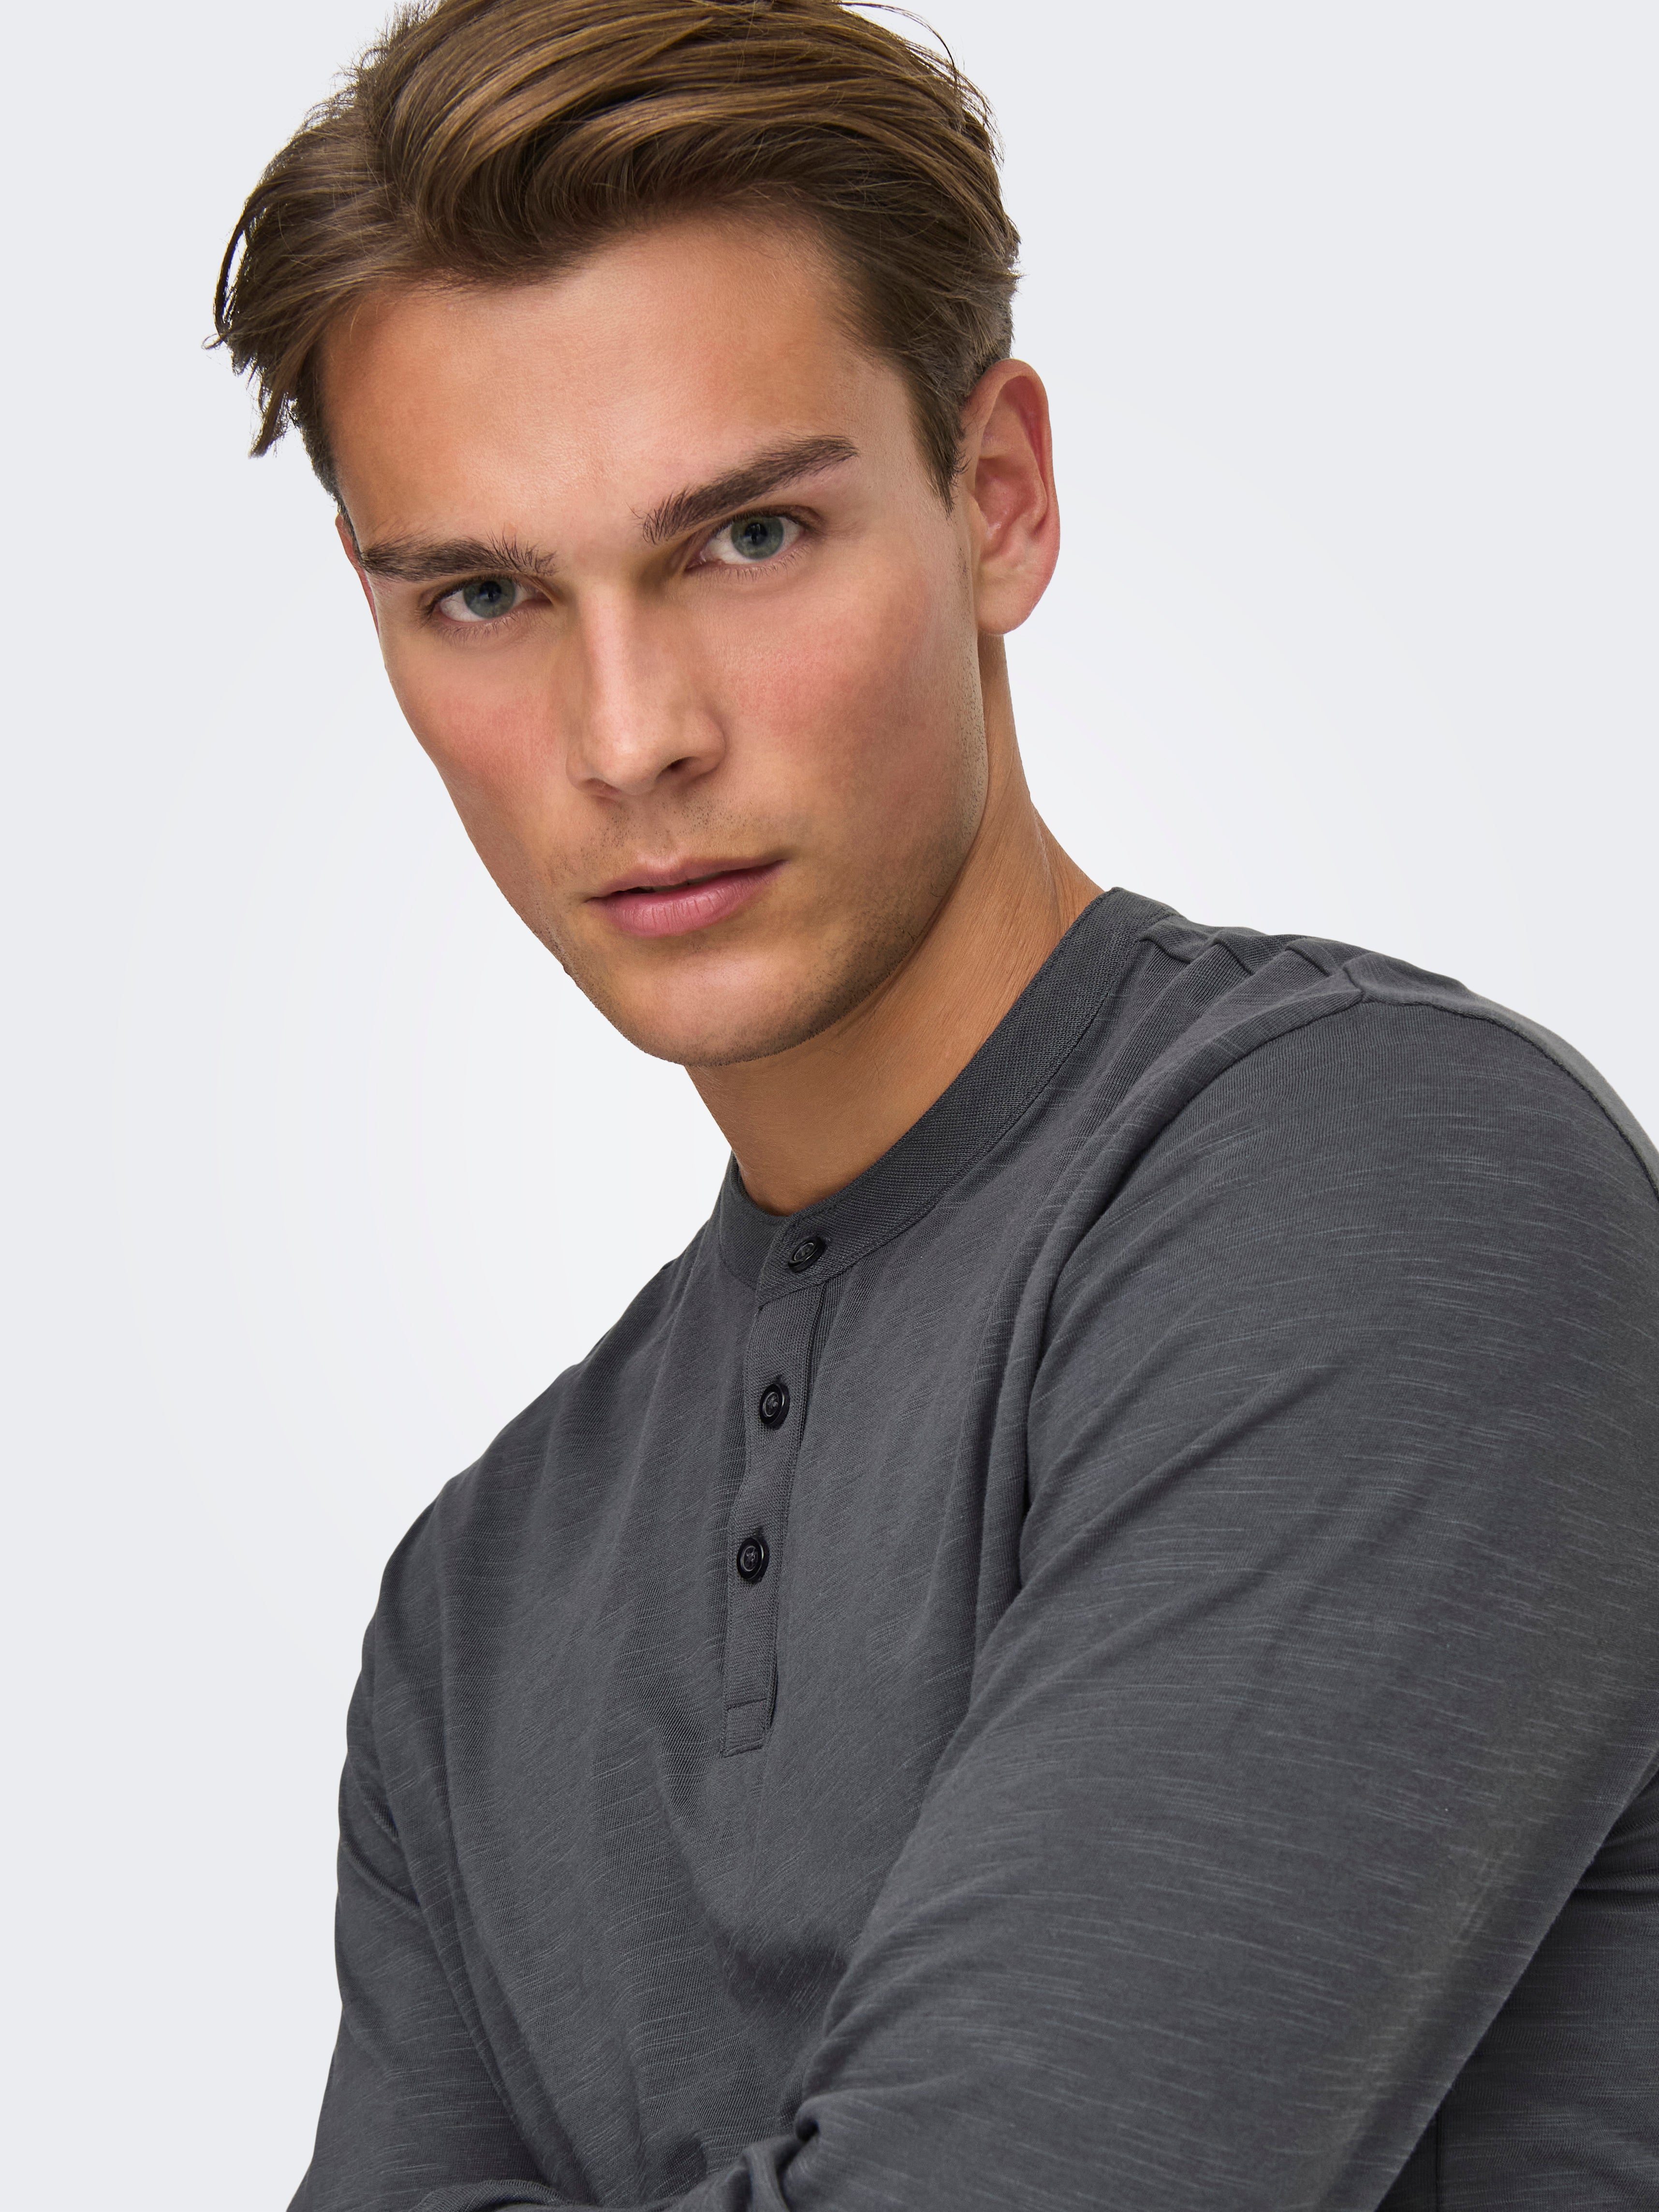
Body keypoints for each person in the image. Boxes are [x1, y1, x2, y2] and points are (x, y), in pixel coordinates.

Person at [215, 3, 1659, 2207]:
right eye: (487, 595)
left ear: (997, 498)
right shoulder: (470, 1605)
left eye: (747, 539)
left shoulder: (1391, 1191)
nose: (630, 735)